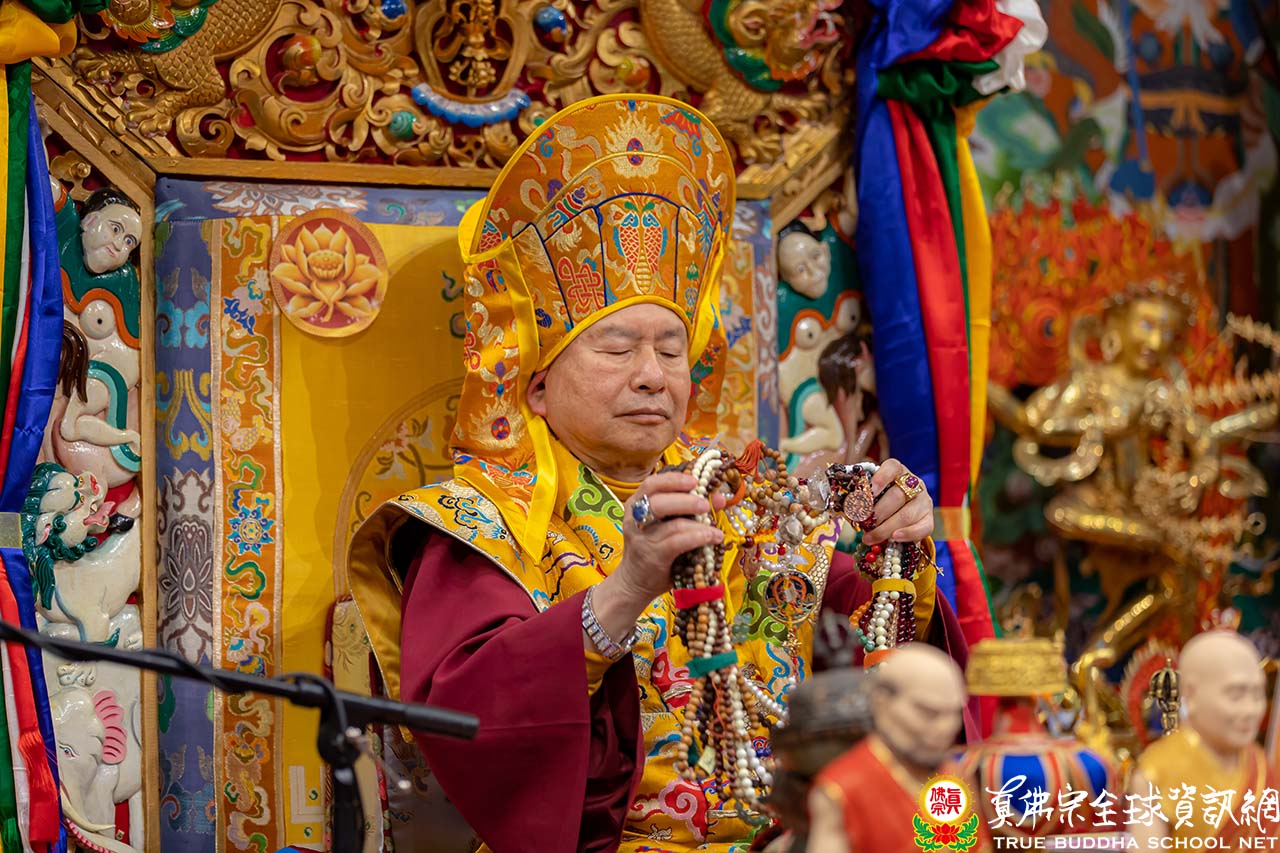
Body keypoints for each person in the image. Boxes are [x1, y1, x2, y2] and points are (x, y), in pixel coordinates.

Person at [348, 94, 973, 853]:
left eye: (671, 350)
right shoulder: (481, 525)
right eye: (617, 348)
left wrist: (896, 553)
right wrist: (622, 593)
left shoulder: (748, 500)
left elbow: (868, 642)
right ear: (536, 385)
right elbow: (465, 723)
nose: (652, 375)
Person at [1129, 631, 1278, 848]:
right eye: (1236, 695)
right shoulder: (1158, 772)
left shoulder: (1260, 767)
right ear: (1191, 694)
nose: (1251, 710)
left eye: (1257, 694)